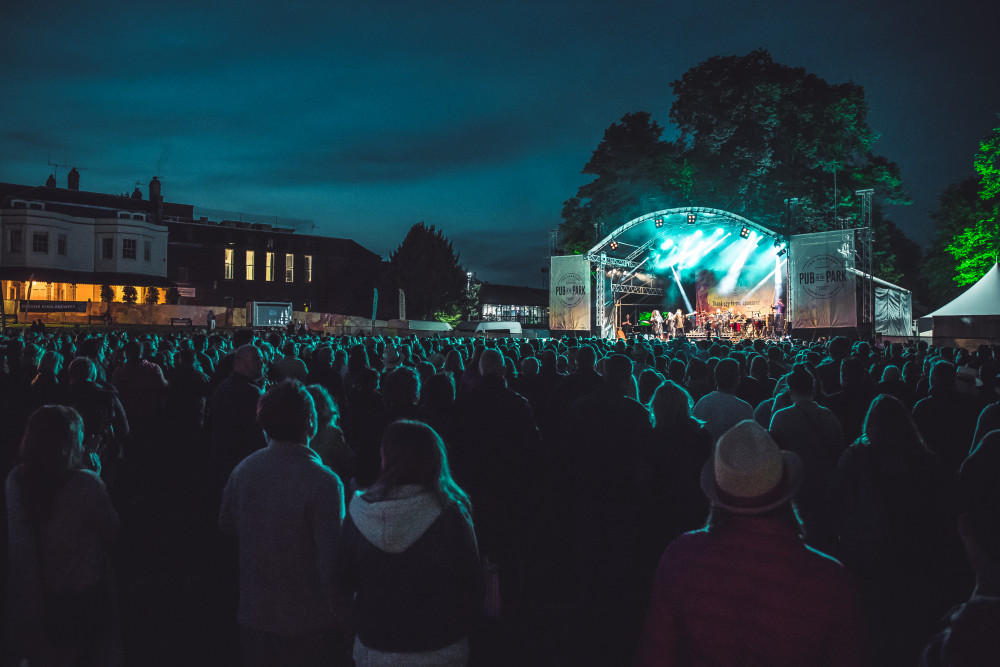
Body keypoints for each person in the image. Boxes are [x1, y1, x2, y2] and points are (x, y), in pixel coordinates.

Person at [636, 420, 865, 667]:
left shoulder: (680, 558)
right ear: (784, 491)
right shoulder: (829, 580)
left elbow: (656, 655)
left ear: (717, 491)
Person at [219, 380, 349, 667]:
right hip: (308, 623)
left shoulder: (244, 470)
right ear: (311, 423)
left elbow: (226, 525)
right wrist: (348, 624)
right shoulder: (324, 482)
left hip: (254, 615)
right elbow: (331, 565)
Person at [336, 420, 481, 667]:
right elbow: (471, 581)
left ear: (385, 457)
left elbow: (343, 580)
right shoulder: (450, 514)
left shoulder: (359, 514)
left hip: (375, 644)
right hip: (440, 644)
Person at [6, 405, 121, 666]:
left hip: (32, 597)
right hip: (81, 595)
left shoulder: (15, 480)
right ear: (71, 443)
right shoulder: (85, 485)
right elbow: (111, 529)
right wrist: (95, 474)